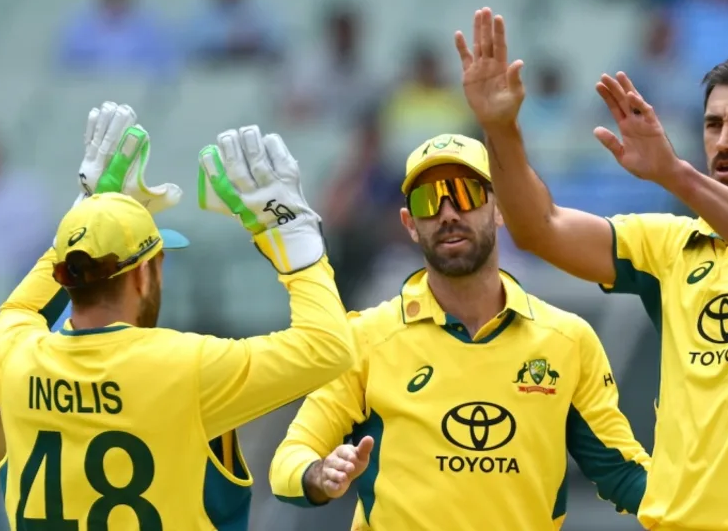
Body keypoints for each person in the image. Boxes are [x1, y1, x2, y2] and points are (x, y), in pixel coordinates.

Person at [455, 7, 728, 531]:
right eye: (713, 124)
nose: (722, 142)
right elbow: (541, 229)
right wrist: (500, 128)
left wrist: (676, 175)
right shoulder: (670, 244)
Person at [0, 102, 355, 529]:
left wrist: (84, 218)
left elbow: (21, 308)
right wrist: (294, 236)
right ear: (144, 274)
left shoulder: (14, 357)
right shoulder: (188, 367)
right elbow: (329, 346)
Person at [269, 133, 649, 530]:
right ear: (410, 224)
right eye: (427, 201)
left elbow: (620, 471)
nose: (448, 213)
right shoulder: (365, 338)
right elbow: (289, 459)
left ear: (499, 207)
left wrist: (701, 507)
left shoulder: (568, 340)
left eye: (465, 194)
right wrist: (318, 474)